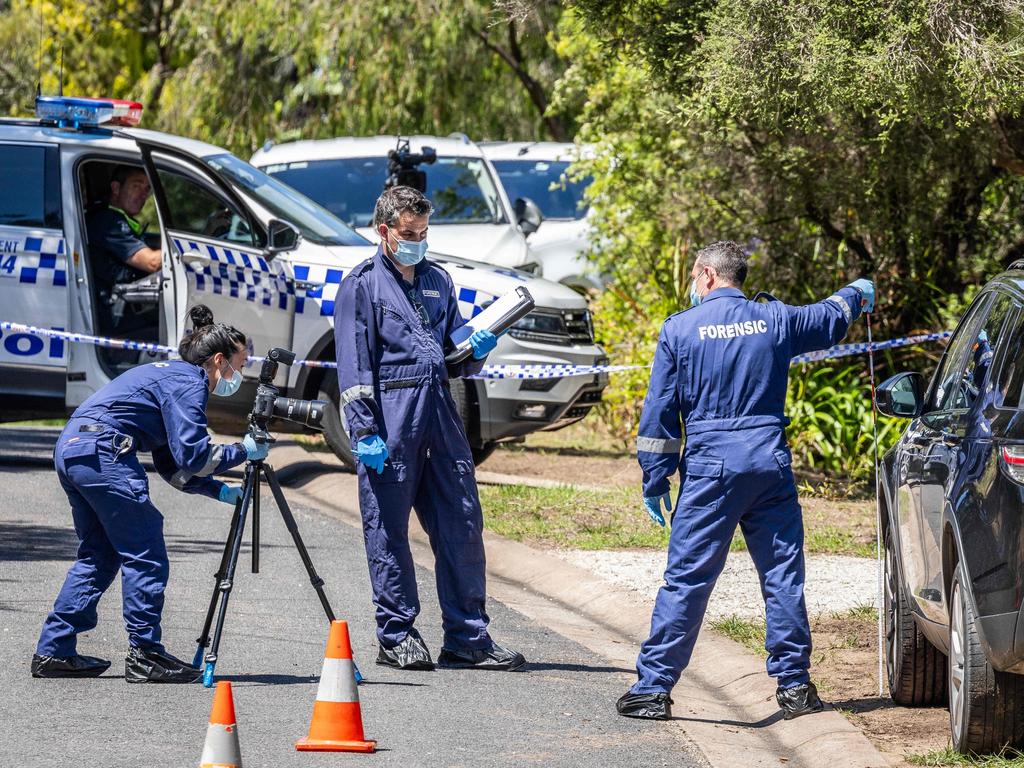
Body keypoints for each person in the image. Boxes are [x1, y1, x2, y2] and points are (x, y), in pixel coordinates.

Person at [615, 241, 875, 721]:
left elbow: (659, 413)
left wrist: (655, 478)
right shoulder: (774, 320)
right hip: (768, 463)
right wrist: (857, 294)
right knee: (782, 576)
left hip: (711, 468)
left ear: (709, 275)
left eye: (695, 278)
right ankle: (795, 688)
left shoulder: (680, 329)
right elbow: (828, 316)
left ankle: (653, 689)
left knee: (688, 579)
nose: (694, 287)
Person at [335, 185, 525, 672]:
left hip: (438, 412)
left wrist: (475, 346)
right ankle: (396, 634)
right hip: (392, 419)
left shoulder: (438, 280)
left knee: (461, 523)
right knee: (389, 530)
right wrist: (364, 431)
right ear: (384, 232)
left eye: (423, 231)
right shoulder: (361, 285)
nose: (419, 241)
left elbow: (453, 353)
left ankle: (467, 637)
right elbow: (354, 369)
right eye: (410, 233)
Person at [32, 305, 269, 683]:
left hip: (75, 449)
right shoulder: (189, 382)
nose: (239, 376)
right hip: (104, 451)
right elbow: (195, 456)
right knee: (146, 551)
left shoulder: (168, 375)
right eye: (239, 367)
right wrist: (243, 451)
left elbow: (172, 467)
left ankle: (54, 649)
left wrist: (221, 492)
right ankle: (145, 654)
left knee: (100, 554)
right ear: (219, 360)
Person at [85, 165, 163, 337]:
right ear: (116, 188)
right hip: (116, 314)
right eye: (136, 186)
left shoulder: (116, 219)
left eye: (147, 189)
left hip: (126, 304)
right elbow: (152, 262)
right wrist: (188, 248)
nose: (143, 194)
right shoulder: (108, 223)